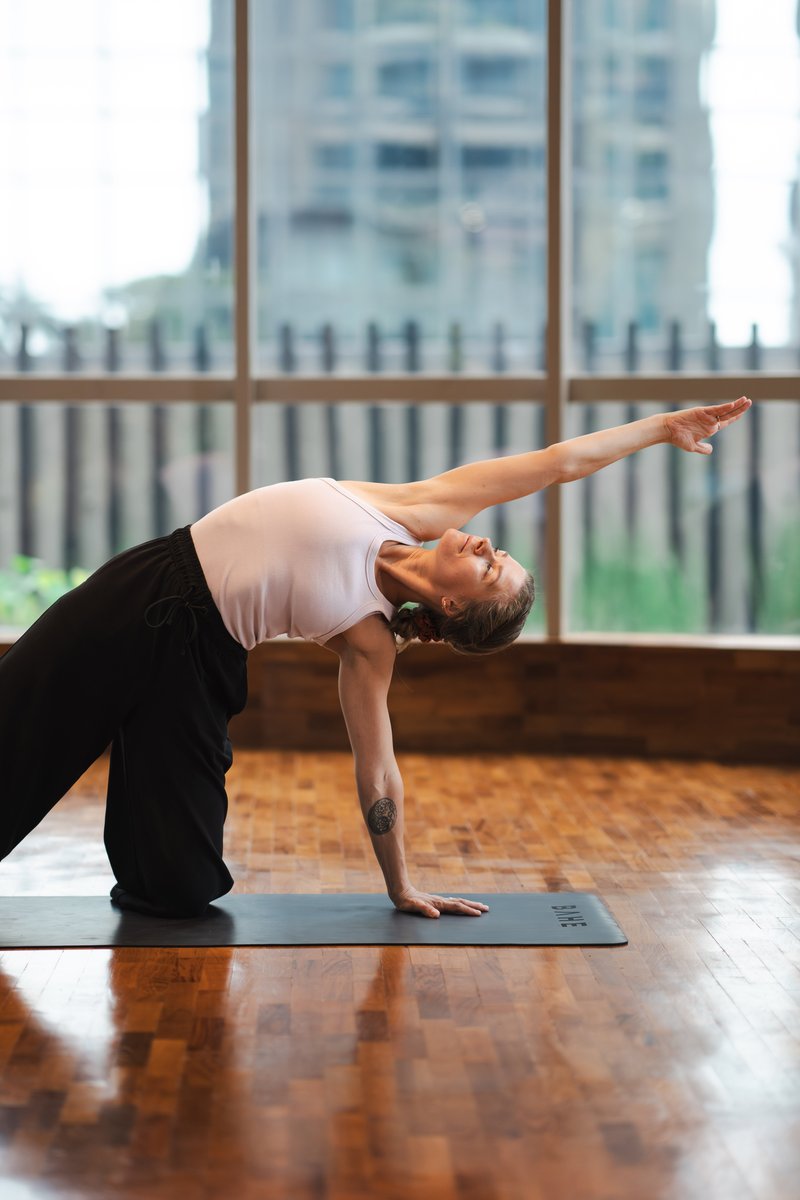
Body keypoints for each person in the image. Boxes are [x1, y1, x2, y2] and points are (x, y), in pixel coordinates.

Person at [0, 396, 751, 921]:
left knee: (181, 888)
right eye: (502, 551)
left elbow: (377, 765)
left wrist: (401, 884)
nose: (490, 546)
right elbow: (558, 463)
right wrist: (662, 427)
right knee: (18, 726)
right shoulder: (413, 507)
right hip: (149, 589)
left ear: (454, 607)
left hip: (200, 663)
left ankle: (149, 839)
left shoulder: (367, 638)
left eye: (492, 570)